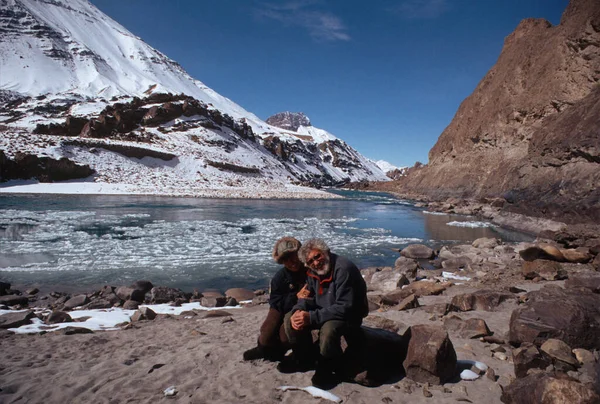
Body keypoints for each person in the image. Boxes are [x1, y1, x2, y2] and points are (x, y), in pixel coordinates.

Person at [282, 238, 368, 388]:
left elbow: (345, 306)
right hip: (326, 309)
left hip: (350, 314)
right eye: (310, 261)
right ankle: (303, 358)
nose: (315, 263)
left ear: (326, 252)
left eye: (318, 256)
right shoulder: (313, 272)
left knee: (328, 329)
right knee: (290, 318)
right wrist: (298, 310)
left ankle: (326, 367)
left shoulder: (343, 269)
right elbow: (307, 295)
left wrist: (311, 317)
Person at [243, 237, 309, 361]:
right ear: (282, 262)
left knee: (285, 334)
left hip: (303, 307)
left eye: (294, 256)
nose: (292, 261)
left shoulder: (309, 271)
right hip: (282, 306)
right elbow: (275, 301)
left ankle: (284, 350)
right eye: (286, 259)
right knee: (267, 331)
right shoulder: (279, 278)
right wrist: (295, 297)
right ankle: (262, 348)